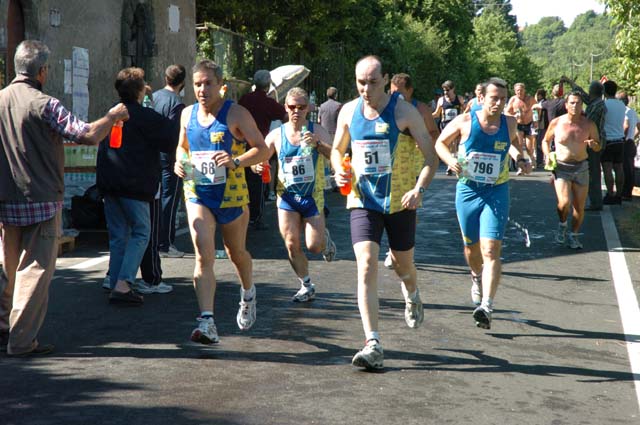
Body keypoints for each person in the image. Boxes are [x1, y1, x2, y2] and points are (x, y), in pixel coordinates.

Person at [0, 40, 129, 356]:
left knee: (6, 268)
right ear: (42, 71)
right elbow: (85, 134)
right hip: (41, 200)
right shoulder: (45, 103)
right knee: (35, 271)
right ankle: (21, 340)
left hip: (5, 199)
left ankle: (3, 326)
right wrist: (111, 117)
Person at [331, 55, 439, 370]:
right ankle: (373, 342)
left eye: (373, 82)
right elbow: (338, 150)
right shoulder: (349, 111)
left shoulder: (404, 112)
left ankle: (412, 292)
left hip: (400, 202)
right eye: (360, 82)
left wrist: (418, 190)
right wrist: (339, 170)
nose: (366, 89)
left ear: (386, 79)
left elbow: (431, 159)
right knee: (365, 265)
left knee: (404, 266)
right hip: (362, 200)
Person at [174, 60, 270, 344]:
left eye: (208, 83)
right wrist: (180, 162)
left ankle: (248, 292)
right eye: (197, 84)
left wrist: (236, 160)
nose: (202, 89)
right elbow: (182, 146)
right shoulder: (187, 114)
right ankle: (207, 322)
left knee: (235, 252)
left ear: (220, 86)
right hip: (197, 191)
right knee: (203, 252)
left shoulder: (237, 114)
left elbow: (262, 150)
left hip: (232, 193)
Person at [434, 77, 530, 330]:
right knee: (471, 248)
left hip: (496, 191)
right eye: (493, 98)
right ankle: (476, 278)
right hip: (467, 191)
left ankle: (487, 305)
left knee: (491, 249)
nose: (498, 103)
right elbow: (440, 143)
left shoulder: (509, 122)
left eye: (502, 98)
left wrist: (521, 159)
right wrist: (449, 160)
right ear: (482, 99)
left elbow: (512, 145)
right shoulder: (466, 121)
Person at [97, 67, 177, 304]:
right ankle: (123, 284)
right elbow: (171, 139)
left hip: (110, 182)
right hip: (135, 185)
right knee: (142, 232)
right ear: (141, 90)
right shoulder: (145, 116)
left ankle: (114, 281)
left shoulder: (111, 113)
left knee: (118, 235)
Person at [260, 87, 337, 302]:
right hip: (287, 197)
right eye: (292, 107)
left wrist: (319, 144)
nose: (296, 111)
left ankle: (325, 241)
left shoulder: (318, 131)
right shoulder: (276, 134)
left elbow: (337, 155)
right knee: (291, 244)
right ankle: (306, 284)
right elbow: (261, 158)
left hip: (312, 196)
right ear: (285, 107)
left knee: (314, 246)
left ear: (308, 108)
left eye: (301, 107)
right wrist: (257, 166)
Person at [542, 92, 600, 249]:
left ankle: (573, 235)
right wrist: (547, 155)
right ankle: (562, 224)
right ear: (566, 105)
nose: (575, 106)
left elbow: (597, 145)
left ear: (582, 105)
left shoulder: (589, 124)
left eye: (579, 103)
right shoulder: (557, 123)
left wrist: (593, 144)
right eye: (572, 103)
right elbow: (546, 140)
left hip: (581, 167)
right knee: (564, 203)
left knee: (579, 207)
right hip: (562, 168)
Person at [239, 70, 287, 230]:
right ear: (267, 85)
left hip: (242, 145)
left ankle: (242, 214)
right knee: (257, 184)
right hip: (259, 146)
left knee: (243, 181)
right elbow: (285, 117)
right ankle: (255, 217)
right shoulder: (269, 102)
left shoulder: (244, 99)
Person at [153, 64, 187, 258]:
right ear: (182, 82)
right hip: (170, 158)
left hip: (152, 156)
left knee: (156, 201)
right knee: (169, 200)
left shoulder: (153, 97)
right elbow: (176, 136)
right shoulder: (177, 104)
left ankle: (157, 240)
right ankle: (165, 243)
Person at [561, 77, 606, 211]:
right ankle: (593, 200)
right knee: (590, 171)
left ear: (592, 91)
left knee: (593, 172)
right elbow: (582, 95)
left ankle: (596, 202)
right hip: (593, 140)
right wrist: (570, 82)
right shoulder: (596, 102)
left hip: (593, 141)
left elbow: (587, 121)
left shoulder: (597, 106)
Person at [600, 80, 627, 204]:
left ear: (604, 91)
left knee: (607, 168)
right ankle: (619, 195)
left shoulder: (604, 104)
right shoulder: (622, 105)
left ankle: (610, 194)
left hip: (608, 140)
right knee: (619, 168)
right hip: (620, 140)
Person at [432, 80, 465, 175]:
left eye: (447, 90)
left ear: (453, 89)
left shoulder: (459, 99)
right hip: (445, 125)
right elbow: (437, 113)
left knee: (454, 145)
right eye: (444, 90)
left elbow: (466, 110)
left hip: (456, 125)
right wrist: (425, 116)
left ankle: (451, 166)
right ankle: (450, 165)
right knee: (448, 145)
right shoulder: (441, 100)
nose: (446, 92)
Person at [506, 83, 537, 173]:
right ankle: (521, 167)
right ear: (515, 91)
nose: (519, 92)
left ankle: (532, 157)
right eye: (517, 90)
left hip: (529, 124)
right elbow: (507, 112)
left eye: (521, 90)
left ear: (524, 90)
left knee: (529, 147)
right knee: (519, 145)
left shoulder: (530, 99)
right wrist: (514, 115)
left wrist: (535, 121)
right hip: (518, 125)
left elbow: (536, 109)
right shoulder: (513, 99)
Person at [616, 91, 639, 201]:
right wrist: (633, 136)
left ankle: (624, 193)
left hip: (624, 143)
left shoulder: (623, 111)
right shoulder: (632, 112)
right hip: (631, 143)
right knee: (630, 168)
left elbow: (626, 126)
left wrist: (623, 138)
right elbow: (639, 126)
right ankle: (628, 192)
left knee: (624, 168)